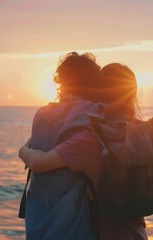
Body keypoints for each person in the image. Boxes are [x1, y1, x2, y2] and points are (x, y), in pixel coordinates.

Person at [19, 62, 148, 239]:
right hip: (136, 230)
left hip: (108, 233)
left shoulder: (90, 139)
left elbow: (38, 163)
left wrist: (23, 150)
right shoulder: (135, 134)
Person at [18, 52, 104, 239]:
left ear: (61, 81)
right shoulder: (92, 116)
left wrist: (22, 151)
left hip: (36, 225)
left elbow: (32, 152)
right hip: (72, 229)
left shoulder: (41, 116)